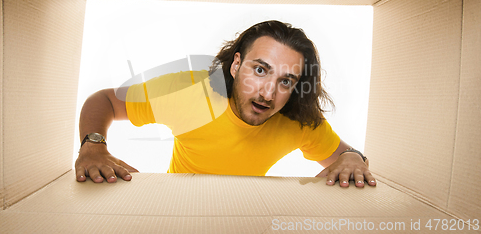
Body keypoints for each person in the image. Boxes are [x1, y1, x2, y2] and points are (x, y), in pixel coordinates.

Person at [75, 20, 376, 188]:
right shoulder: (191, 91)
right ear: (235, 66)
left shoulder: (297, 119)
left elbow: (345, 156)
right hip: (175, 211)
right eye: (260, 70)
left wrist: (354, 158)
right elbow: (104, 101)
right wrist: (93, 145)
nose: (268, 94)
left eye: (286, 81)